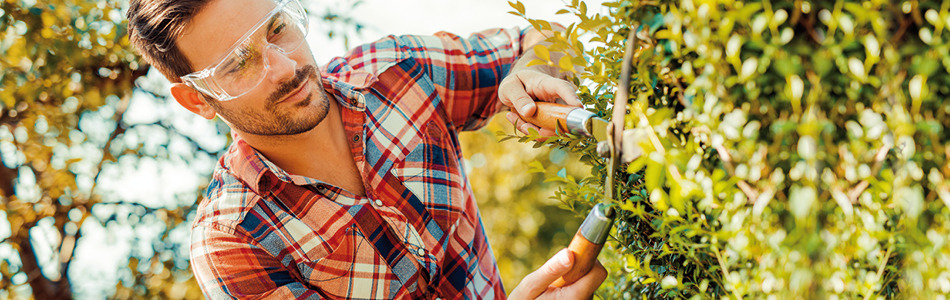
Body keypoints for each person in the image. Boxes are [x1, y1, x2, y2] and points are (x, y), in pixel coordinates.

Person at [126, 0, 606, 298]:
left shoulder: (398, 72)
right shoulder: (233, 242)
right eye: (238, 63)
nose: (284, 66)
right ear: (197, 99)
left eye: (276, 29)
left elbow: (545, 40)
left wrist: (535, 70)